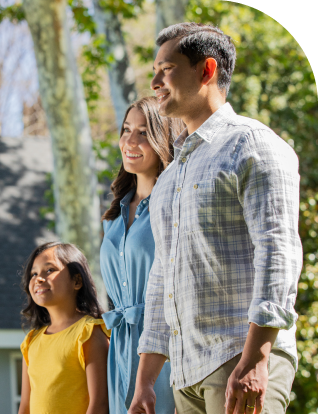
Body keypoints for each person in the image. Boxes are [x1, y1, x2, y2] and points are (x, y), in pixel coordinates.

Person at [130, 23, 302, 414]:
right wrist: (145, 382)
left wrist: (257, 358)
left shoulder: (252, 144)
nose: (155, 81)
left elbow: (279, 252)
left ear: (206, 71)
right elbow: (162, 278)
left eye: (166, 68)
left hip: (239, 356)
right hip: (186, 374)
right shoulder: (170, 175)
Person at [100, 96, 183, 414]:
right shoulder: (111, 218)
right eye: (125, 130)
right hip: (119, 346)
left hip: (164, 346)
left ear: (164, 138)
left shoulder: (175, 205)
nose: (129, 141)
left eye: (144, 133)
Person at [18, 242, 111, 414]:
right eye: (34, 273)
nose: (38, 278)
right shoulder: (31, 341)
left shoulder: (89, 332)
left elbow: (100, 404)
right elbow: (25, 406)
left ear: (76, 281)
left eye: (50, 270)